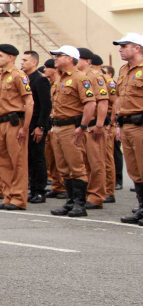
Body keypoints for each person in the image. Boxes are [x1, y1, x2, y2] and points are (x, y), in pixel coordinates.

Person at [49, 45, 95, 217]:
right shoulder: (59, 78)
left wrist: (83, 126)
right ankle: (70, 201)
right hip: (59, 126)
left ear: (69, 58)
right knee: (63, 167)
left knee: (76, 166)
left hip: (71, 127)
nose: (55, 58)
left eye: (59, 55)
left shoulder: (80, 78)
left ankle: (79, 203)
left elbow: (90, 103)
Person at [0, 44, 34, 211]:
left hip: (15, 123)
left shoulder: (19, 76)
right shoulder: (1, 76)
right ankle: (8, 195)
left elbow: (29, 103)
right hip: (2, 122)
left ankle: (18, 198)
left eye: (0, 55)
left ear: (10, 57)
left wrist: (26, 128)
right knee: (3, 160)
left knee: (17, 162)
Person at [113, 33, 143, 224]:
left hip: (141, 124)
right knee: (134, 171)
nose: (120, 49)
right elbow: (118, 98)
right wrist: (117, 123)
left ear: (137, 48)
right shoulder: (124, 70)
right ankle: (141, 207)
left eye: (124, 46)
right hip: (126, 124)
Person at [77, 47, 109, 209]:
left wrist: (99, 124)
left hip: (93, 125)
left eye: (78, 59)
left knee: (96, 162)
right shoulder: (79, 76)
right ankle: (88, 193)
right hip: (82, 125)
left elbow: (103, 101)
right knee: (84, 162)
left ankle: (96, 196)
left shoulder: (95, 77)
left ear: (87, 61)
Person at [21, 50, 51, 203]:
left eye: (25, 60)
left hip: (36, 125)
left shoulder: (40, 80)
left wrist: (41, 126)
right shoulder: (25, 79)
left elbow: (46, 105)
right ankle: (32, 188)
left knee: (38, 158)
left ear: (34, 62)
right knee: (29, 158)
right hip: (27, 125)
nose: (22, 62)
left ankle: (40, 190)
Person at [41, 58, 66, 199]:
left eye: (47, 67)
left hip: (60, 123)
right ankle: (57, 185)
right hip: (51, 124)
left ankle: (63, 186)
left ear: (54, 70)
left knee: (60, 158)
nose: (44, 70)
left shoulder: (60, 82)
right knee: (51, 157)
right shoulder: (50, 84)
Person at [96, 58, 117, 203]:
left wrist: (113, 123)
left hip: (106, 122)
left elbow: (116, 103)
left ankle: (109, 190)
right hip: (96, 121)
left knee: (107, 158)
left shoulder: (107, 81)